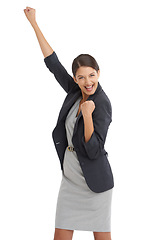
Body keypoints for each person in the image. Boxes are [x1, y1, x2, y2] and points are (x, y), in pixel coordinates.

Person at [24, 6, 114, 240]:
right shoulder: (75, 92)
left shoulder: (102, 104)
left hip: (95, 181)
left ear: (99, 73)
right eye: (81, 77)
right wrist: (34, 23)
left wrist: (87, 115)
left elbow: (94, 150)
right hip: (71, 178)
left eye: (92, 75)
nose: (87, 82)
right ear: (75, 79)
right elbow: (53, 65)